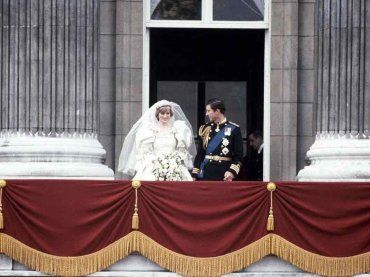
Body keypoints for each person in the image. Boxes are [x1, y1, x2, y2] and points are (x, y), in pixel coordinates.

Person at [118, 100, 196, 181]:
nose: (165, 116)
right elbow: (146, 152)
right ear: (157, 114)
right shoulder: (149, 130)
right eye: (162, 113)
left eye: (167, 113)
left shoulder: (178, 129)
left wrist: (174, 162)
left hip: (174, 166)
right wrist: (158, 163)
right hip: (153, 165)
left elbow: (181, 150)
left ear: (171, 114)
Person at [192, 98, 243, 181]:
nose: (206, 114)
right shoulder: (205, 129)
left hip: (224, 174)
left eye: (209, 111)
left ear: (217, 111)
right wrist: (194, 174)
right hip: (206, 173)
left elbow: (239, 156)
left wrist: (231, 172)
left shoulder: (234, 129)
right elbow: (200, 155)